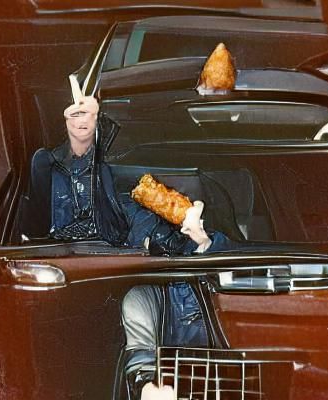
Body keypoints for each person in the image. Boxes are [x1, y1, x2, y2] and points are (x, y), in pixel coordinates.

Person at [23, 95, 239, 400]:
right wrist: (80, 138)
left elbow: (206, 260)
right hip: (67, 326)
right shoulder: (53, 194)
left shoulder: (136, 218)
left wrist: (200, 239)